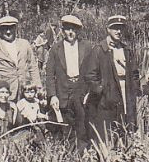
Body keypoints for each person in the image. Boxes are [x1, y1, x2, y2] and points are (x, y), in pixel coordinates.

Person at [43, 14, 104, 144]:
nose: (70, 32)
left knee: (82, 123)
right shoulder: (55, 48)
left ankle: (84, 152)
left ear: (78, 31)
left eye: (74, 29)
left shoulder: (87, 46)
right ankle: (67, 154)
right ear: (63, 30)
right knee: (66, 125)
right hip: (63, 90)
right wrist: (52, 95)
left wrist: (90, 91)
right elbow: (49, 75)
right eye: (67, 29)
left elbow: (95, 71)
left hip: (81, 89)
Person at [91, 15, 141, 144]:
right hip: (107, 95)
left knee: (124, 125)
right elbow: (91, 75)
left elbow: (135, 73)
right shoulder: (99, 49)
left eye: (121, 29)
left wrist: (135, 90)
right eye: (115, 28)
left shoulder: (127, 50)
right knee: (106, 130)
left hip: (125, 91)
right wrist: (101, 90)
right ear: (108, 29)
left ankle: (123, 154)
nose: (118, 32)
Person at [0, 15, 39, 97]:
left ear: (15, 28)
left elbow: (33, 67)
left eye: (11, 28)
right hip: (4, 94)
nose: (8, 32)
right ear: (0, 30)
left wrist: (38, 87)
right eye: (5, 28)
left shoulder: (24, 44)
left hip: (25, 92)